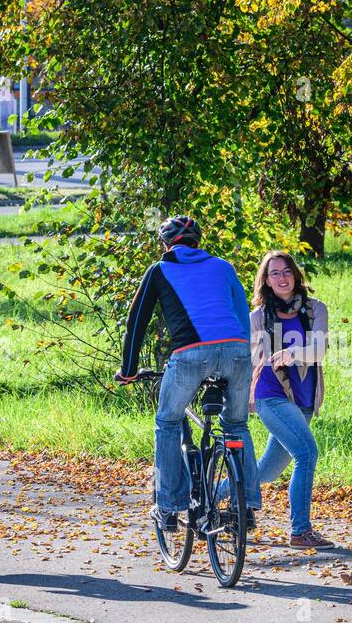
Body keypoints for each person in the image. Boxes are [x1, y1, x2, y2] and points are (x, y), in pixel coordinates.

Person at [116, 215, 261, 530]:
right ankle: (245, 507)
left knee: (167, 422)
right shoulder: (223, 267)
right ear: (198, 242)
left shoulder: (159, 270)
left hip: (190, 355)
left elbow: (136, 322)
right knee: (236, 427)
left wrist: (128, 370)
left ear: (166, 244)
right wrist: (243, 357)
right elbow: (241, 314)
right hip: (237, 352)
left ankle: (168, 507)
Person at [246, 251, 333, 549]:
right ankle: (300, 531)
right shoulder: (257, 317)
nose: (281, 278)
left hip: (304, 400)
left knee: (266, 472)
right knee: (307, 453)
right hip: (271, 396)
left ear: (295, 275)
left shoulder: (315, 310)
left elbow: (319, 350)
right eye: (274, 273)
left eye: (286, 271)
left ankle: (206, 495)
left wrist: (292, 353)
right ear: (266, 281)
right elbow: (250, 361)